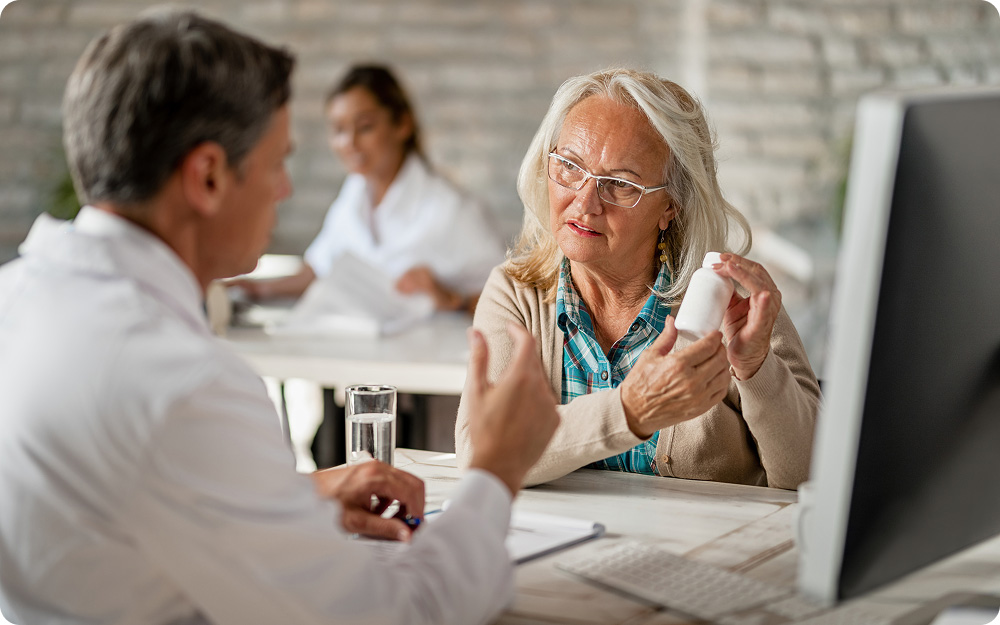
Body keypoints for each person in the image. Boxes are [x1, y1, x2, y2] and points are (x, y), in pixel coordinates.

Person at [0, 10, 559, 625]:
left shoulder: (15, 300)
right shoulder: (185, 384)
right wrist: (495, 472)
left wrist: (296, 497)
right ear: (209, 176)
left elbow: (120, 500)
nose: (285, 190)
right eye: (277, 164)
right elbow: (400, 614)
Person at [455, 68, 821, 490]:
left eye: (620, 185)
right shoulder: (517, 292)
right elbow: (481, 454)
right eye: (570, 167)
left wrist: (757, 369)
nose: (586, 202)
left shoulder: (734, 303)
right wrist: (631, 410)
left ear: (671, 206)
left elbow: (812, 480)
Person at [230, 64, 505, 314]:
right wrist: (251, 288)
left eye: (365, 127)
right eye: (338, 130)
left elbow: (513, 302)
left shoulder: (452, 209)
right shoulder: (354, 194)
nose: (349, 142)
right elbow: (318, 270)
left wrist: (453, 299)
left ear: (402, 125)